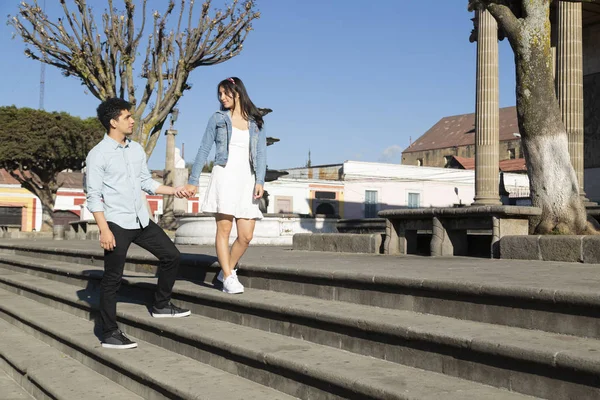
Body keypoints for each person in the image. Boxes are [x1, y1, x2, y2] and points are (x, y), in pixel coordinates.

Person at [86, 98, 192, 350]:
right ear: (113, 122)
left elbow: (147, 182)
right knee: (112, 279)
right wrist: (104, 229)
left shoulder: (135, 149)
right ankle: (109, 332)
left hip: (141, 220)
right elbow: (93, 195)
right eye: (127, 117)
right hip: (116, 224)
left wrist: (174, 191)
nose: (133, 120)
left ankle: (161, 305)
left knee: (172, 256)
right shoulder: (98, 155)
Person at [185, 77, 267, 295]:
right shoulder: (217, 118)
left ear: (237, 92)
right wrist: (193, 181)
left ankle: (225, 269)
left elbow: (260, 153)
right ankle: (229, 277)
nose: (222, 97)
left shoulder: (256, 121)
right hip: (224, 175)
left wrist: (260, 180)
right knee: (224, 229)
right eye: (219, 94)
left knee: (246, 236)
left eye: (225, 93)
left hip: (247, 179)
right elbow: (203, 149)